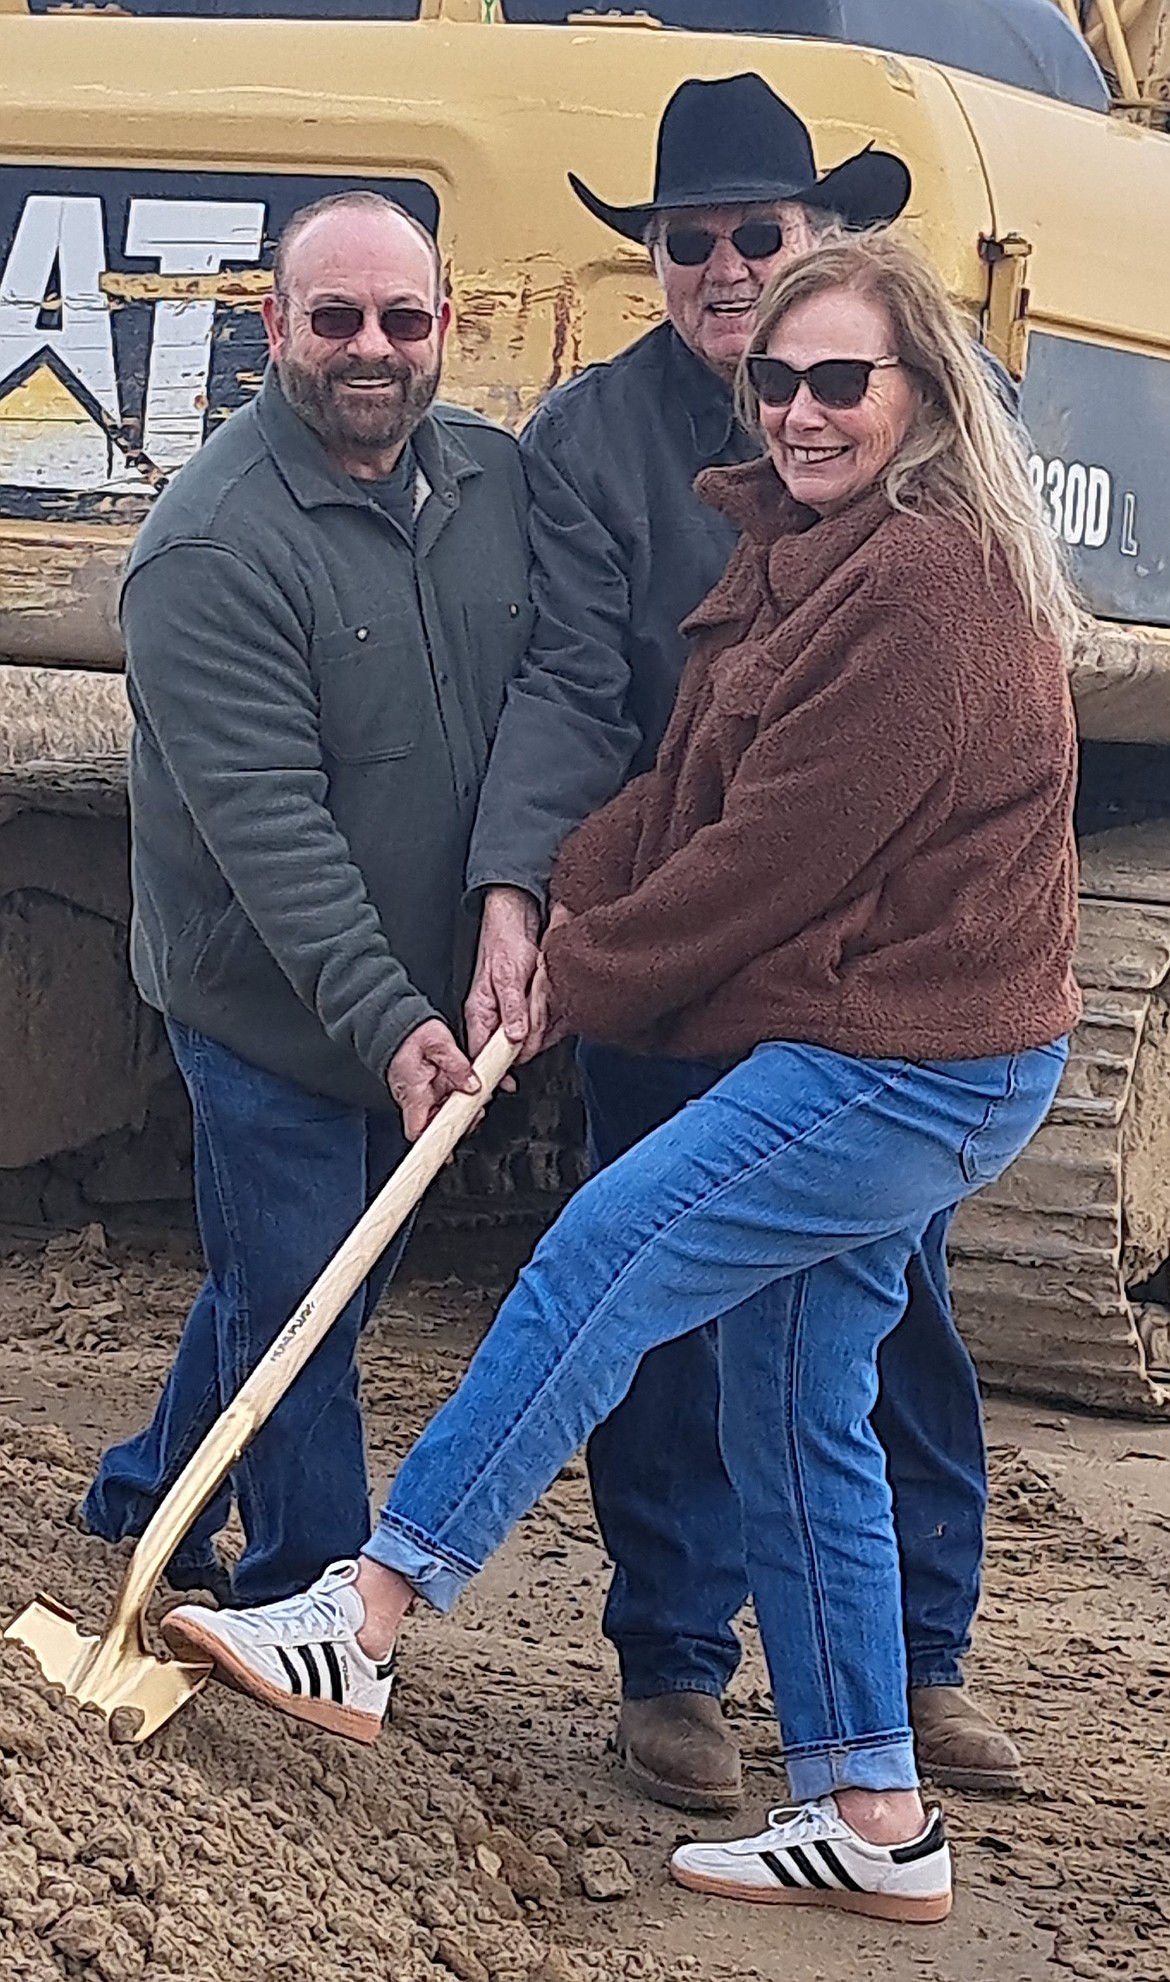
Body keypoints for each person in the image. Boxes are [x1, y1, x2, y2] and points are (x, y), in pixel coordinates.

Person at [162, 230, 1080, 1924]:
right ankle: (871, 1809)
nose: (799, 411)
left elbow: (763, 864)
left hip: (914, 1054)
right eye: (776, 381)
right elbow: (680, 789)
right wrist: (546, 900)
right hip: (868, 1027)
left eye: (839, 382)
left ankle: (364, 1617)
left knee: (609, 1243)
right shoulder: (811, 550)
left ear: (920, 394)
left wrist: (567, 982)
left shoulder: (923, 588)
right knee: (793, 1397)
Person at [464, 70, 1020, 1805]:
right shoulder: (584, 440)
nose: (720, 268)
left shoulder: (919, 427)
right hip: (664, 930)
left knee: (891, 1310)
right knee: (664, 1307)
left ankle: (914, 1664)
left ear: (821, 245)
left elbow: (921, 740)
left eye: (753, 236)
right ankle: (678, 1666)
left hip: (858, 973)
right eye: (684, 242)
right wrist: (527, 901)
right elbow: (571, 690)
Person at [79, 191, 532, 1607]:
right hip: (268, 1003)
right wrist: (389, 1020)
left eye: (404, 319)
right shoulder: (211, 551)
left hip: (425, 991)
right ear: (273, 327)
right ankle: (301, 1597)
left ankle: (148, 1485)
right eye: (334, 318)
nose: (372, 348)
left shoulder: (489, 484)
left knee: (294, 1279)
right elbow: (269, 833)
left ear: (444, 327)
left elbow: (547, 711)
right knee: (308, 1308)